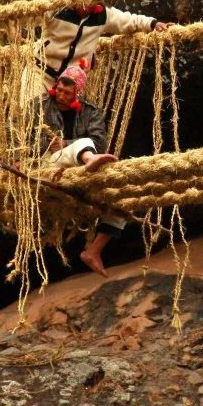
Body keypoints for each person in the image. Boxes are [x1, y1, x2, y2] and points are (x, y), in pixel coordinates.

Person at [37, 63, 124, 277]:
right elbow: (24, 138)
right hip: (50, 163)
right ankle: (90, 160)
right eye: (59, 89)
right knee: (83, 143)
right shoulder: (38, 106)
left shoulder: (91, 112)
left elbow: (100, 141)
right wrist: (48, 145)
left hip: (79, 166)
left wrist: (66, 143)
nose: (61, 95)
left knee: (122, 194)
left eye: (67, 93)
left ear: (77, 94)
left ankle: (93, 251)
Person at [38, 0, 171, 87]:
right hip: (40, 74)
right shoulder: (55, 8)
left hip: (71, 84)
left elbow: (129, 20)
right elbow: (31, 15)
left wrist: (153, 23)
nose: (85, 0)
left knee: (66, 111)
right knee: (35, 106)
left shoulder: (103, 15)